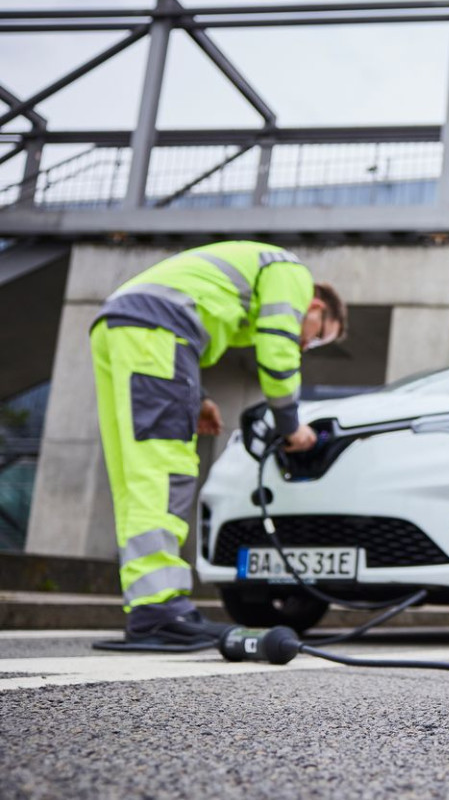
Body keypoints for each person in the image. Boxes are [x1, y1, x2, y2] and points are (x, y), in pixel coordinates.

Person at [90, 240, 347, 647]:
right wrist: (290, 425)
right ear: (315, 305)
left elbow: (174, 336)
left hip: (119, 326)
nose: (306, 346)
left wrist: (201, 396)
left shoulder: (248, 276)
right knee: (164, 470)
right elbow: (278, 348)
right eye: (316, 338)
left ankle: (147, 610)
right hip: (159, 330)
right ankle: (160, 610)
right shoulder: (291, 273)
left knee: (135, 472)